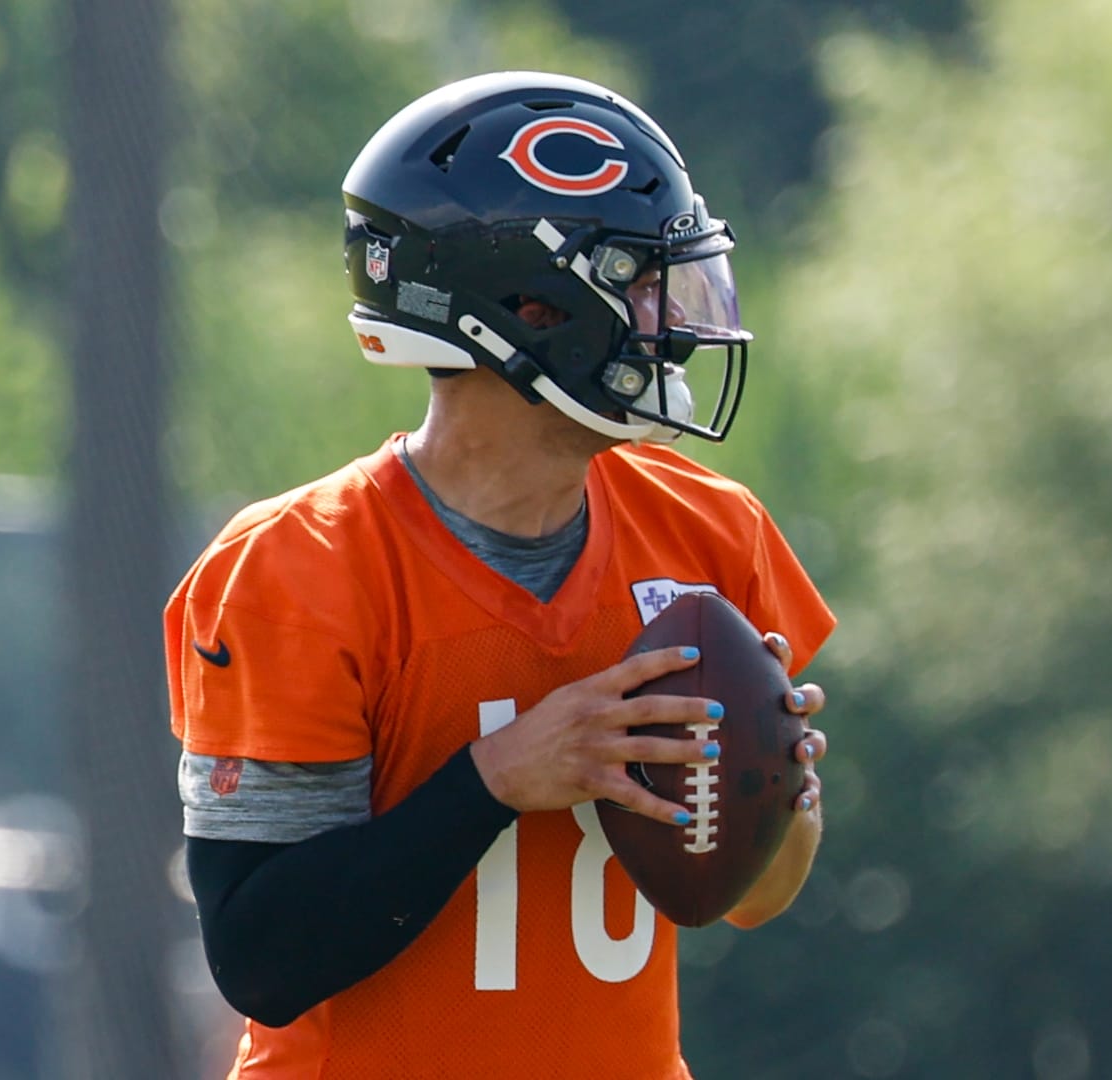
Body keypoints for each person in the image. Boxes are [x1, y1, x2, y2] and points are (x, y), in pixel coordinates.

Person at [166, 71, 835, 1079]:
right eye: (638, 280)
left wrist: (767, 783)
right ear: (527, 306)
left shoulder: (709, 529)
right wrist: (496, 779)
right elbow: (262, 958)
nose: (673, 321)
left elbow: (750, 897)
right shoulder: (297, 567)